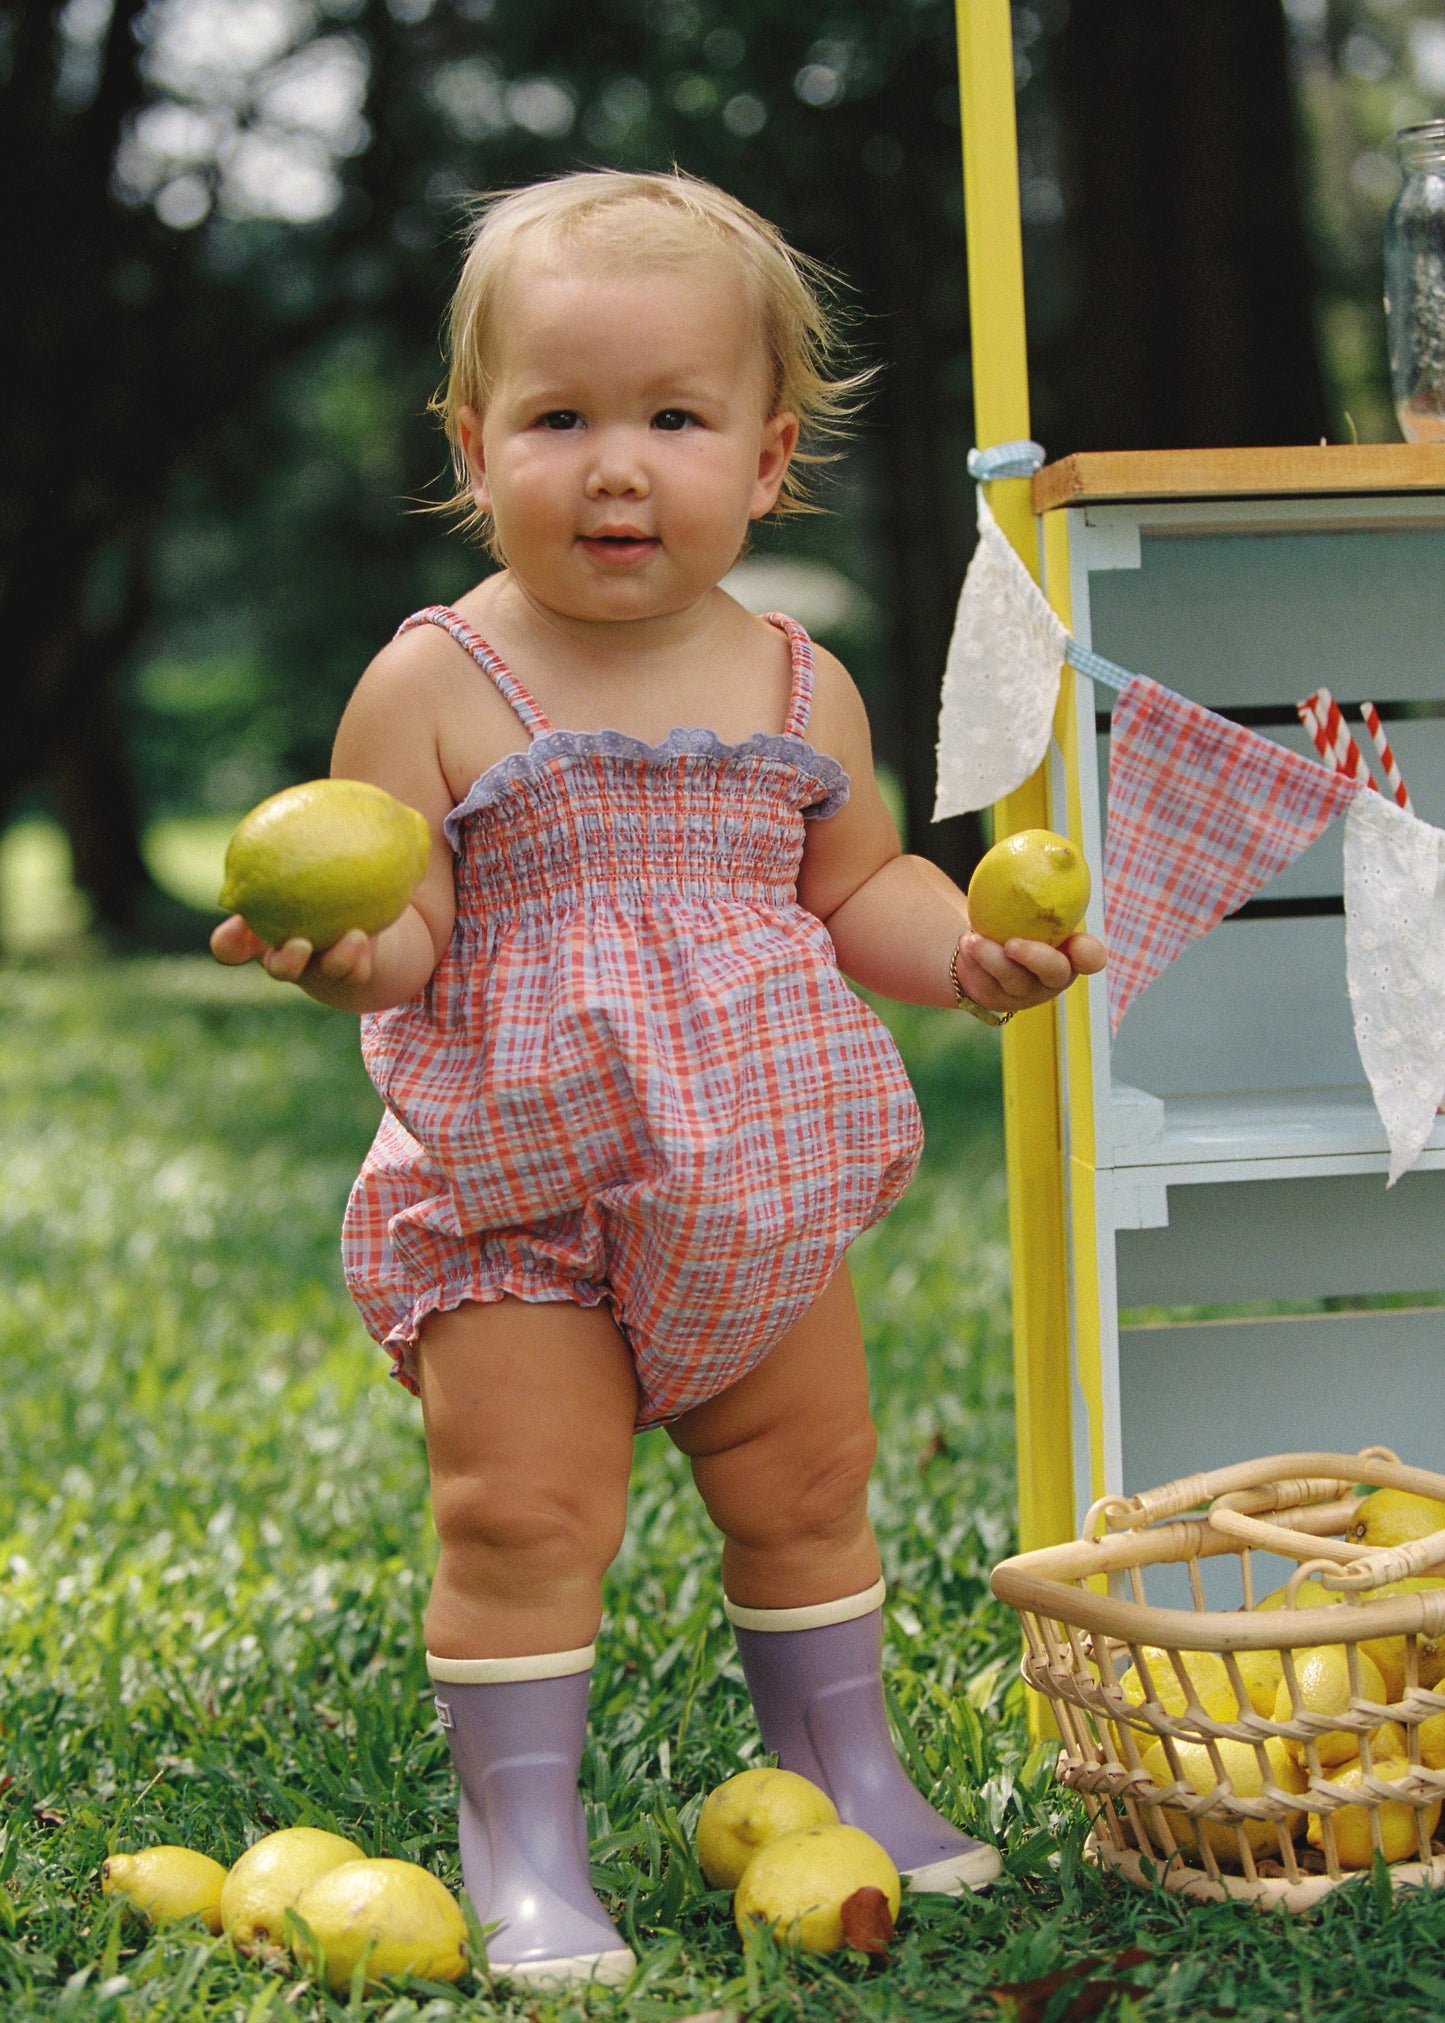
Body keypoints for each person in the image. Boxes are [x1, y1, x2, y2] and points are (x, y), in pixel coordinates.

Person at [212, 169, 1105, 1986]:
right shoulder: (436, 682)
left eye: (673, 420)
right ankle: (522, 1835)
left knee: (807, 1479)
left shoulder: (800, 683)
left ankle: (843, 1764)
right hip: (517, 1193)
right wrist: (340, 955)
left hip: (755, 1177)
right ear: (475, 444)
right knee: (521, 1509)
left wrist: (971, 959)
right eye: (560, 419)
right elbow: (409, 931)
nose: (616, 467)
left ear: (768, 461)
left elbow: (856, 887)